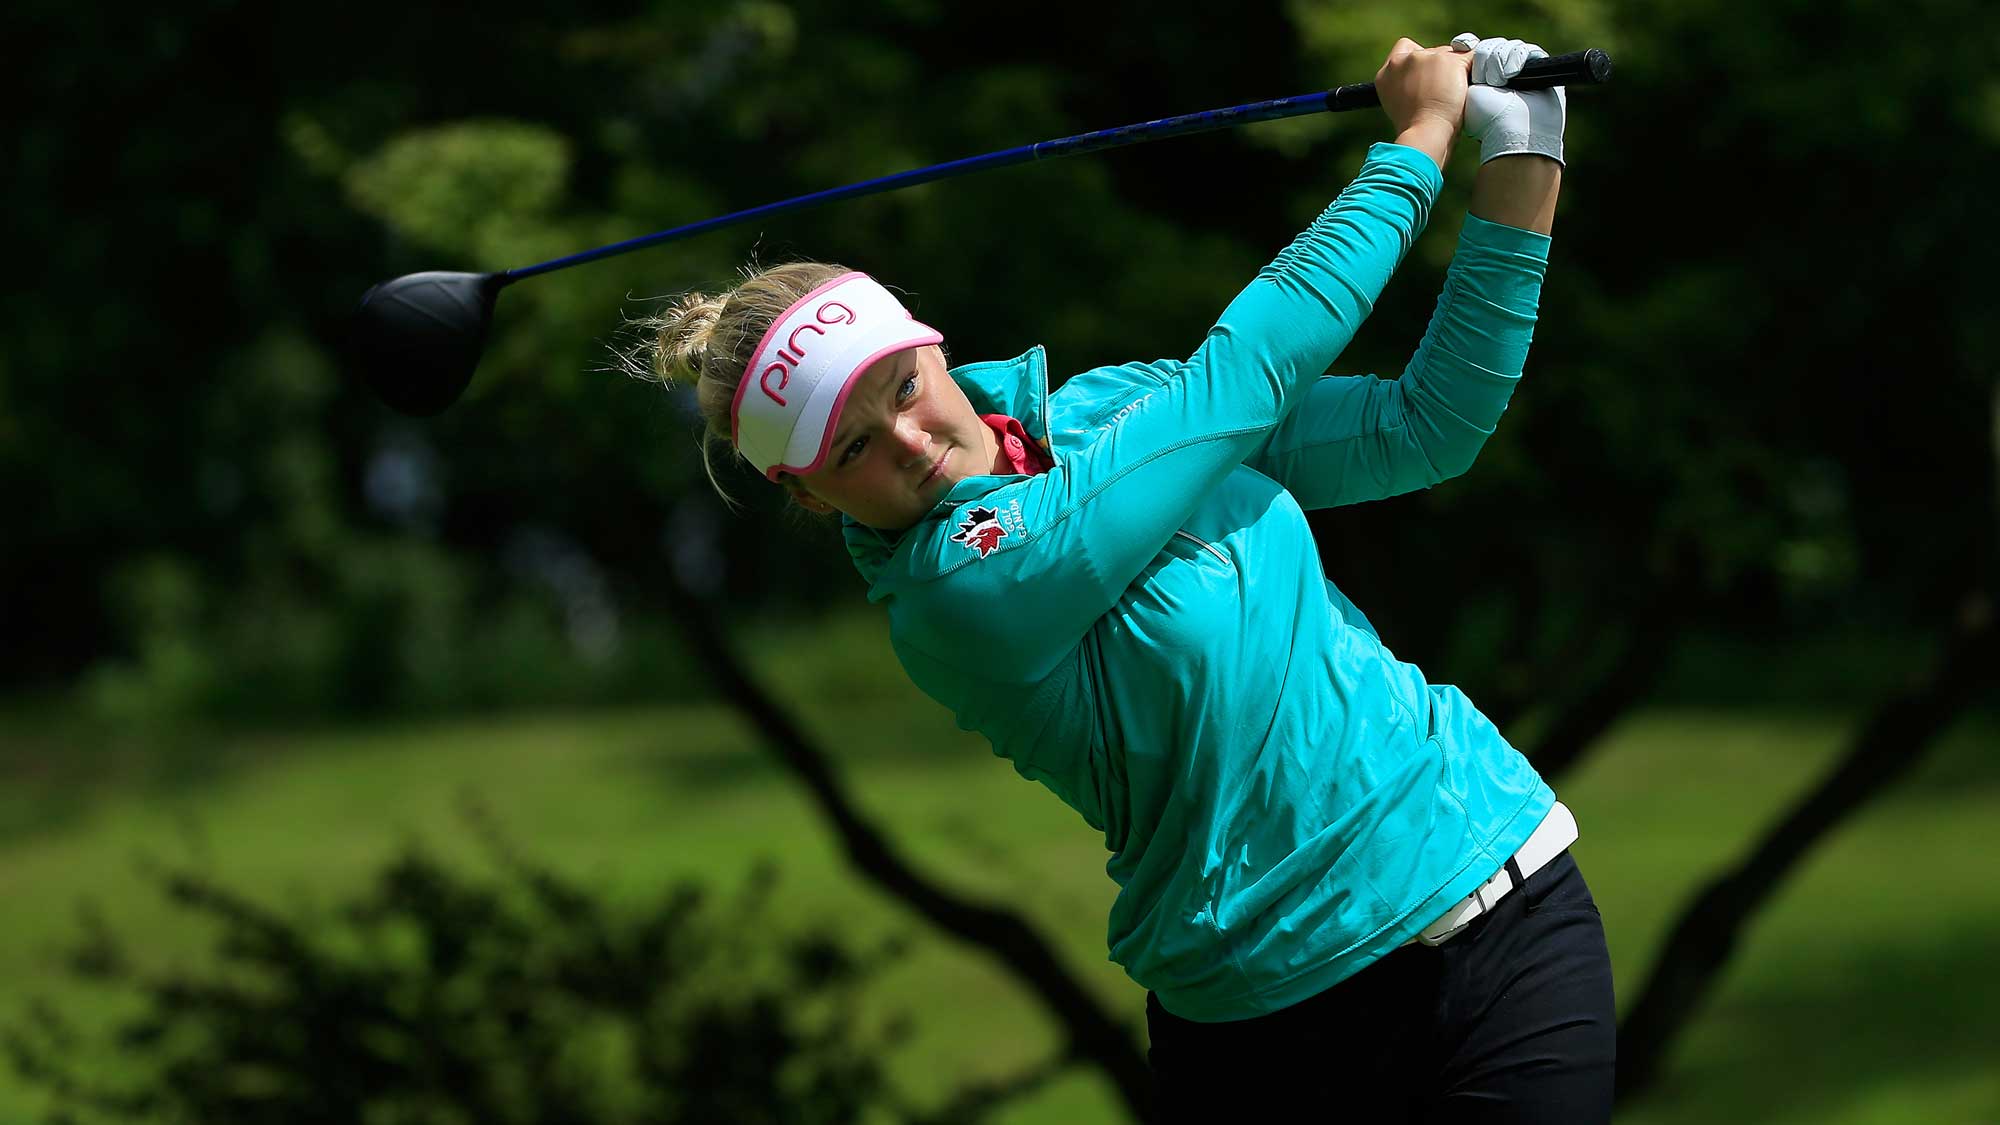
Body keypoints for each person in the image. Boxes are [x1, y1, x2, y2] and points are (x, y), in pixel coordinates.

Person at [631, 33, 1615, 1123]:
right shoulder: (956, 596)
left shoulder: (1111, 410)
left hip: (1493, 898)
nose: (906, 440)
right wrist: (1420, 138)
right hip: (1269, 1031)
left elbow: (1421, 428)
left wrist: (1521, 153)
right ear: (811, 497)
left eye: (901, 389)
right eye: (851, 449)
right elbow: (1247, 371)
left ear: (933, 349)